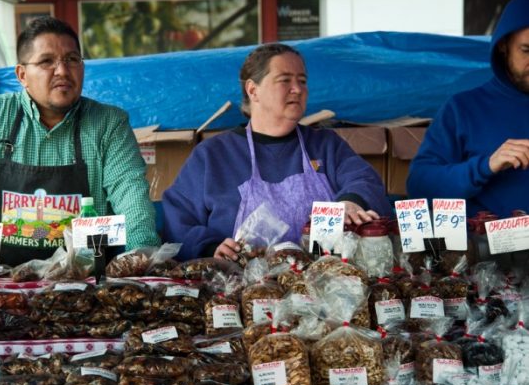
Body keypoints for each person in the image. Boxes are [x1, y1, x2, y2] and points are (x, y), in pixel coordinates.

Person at [0, 17, 159, 284]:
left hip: (85, 282)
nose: (62, 71)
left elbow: (131, 194)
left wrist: (143, 252)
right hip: (0, 282)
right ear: (22, 75)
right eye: (47, 62)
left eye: (72, 59)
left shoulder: (108, 123)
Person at [162, 43, 391, 261]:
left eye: (302, 81)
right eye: (285, 80)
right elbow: (178, 220)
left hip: (325, 284)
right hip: (238, 288)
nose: (298, 89)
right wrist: (210, 246)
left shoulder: (326, 145)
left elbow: (364, 179)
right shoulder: (213, 155)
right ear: (253, 90)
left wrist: (351, 202)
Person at [407, 0, 529, 218]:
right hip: (492, 248)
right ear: (504, 45)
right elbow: (419, 186)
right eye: (527, 50)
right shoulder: (463, 109)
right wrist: (485, 166)